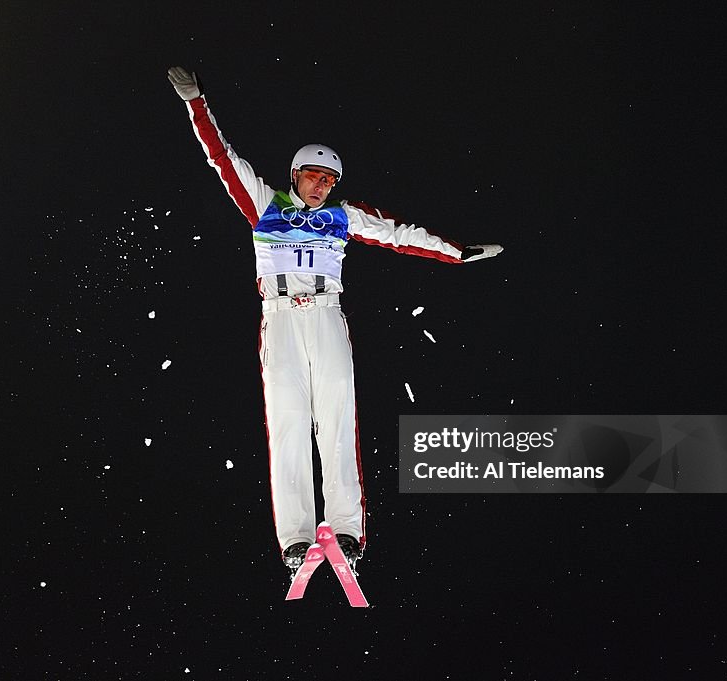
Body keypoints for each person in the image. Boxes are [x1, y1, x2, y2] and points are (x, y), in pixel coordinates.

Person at [167, 66, 502, 578]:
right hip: (278, 324)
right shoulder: (264, 206)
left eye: (329, 180)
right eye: (313, 176)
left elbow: (401, 234)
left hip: (326, 318)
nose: (321, 186)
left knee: (337, 425)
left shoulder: (344, 216)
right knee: (287, 430)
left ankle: (347, 527)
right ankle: (296, 539)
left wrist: (458, 253)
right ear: (294, 174)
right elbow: (222, 158)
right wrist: (196, 101)